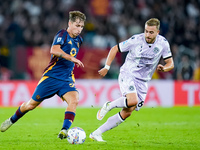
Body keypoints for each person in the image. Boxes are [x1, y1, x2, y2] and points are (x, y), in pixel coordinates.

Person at [0, 11, 86, 140]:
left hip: (66, 79)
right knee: (30, 105)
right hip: (51, 77)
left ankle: (64, 131)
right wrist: (71, 58)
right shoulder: (62, 34)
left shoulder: (79, 40)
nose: (79, 29)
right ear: (70, 23)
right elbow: (54, 50)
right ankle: (11, 120)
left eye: (81, 27)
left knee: (74, 100)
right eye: (77, 25)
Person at [89, 18, 174, 142]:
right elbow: (114, 49)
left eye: (151, 32)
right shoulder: (136, 40)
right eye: (146, 31)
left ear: (158, 32)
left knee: (128, 111)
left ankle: (96, 133)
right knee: (132, 100)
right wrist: (107, 66)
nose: (148, 35)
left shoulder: (163, 43)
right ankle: (109, 105)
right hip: (128, 73)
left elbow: (170, 63)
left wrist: (165, 68)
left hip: (143, 81)